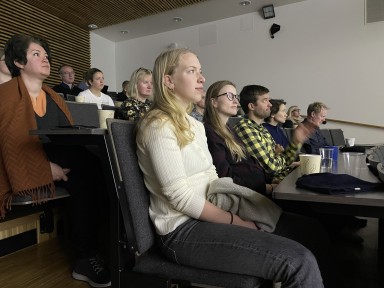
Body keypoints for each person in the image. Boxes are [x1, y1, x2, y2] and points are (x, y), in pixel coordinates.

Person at [136, 48, 341, 288]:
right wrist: (236, 221)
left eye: (201, 72)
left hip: (210, 211)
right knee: (298, 262)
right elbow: (179, 197)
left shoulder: (194, 124)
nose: (202, 78)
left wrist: (242, 207)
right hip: (182, 231)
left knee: (312, 231)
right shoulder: (157, 125)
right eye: (192, 71)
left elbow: (212, 177)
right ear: (168, 81)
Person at [0, 34, 110, 287]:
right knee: (87, 177)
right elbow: (7, 142)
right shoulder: (5, 94)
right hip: (31, 158)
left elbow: (66, 138)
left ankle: (107, 246)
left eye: (46, 54)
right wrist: (44, 168)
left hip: (59, 157)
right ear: (18, 61)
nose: (45, 58)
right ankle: (86, 257)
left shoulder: (52, 97)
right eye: (36, 54)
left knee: (103, 167)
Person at [204, 80, 273, 195]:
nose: (236, 101)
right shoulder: (210, 133)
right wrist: (266, 187)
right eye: (230, 96)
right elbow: (225, 178)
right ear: (214, 102)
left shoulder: (229, 130)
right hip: (248, 195)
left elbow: (249, 163)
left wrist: (270, 180)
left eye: (236, 97)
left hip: (259, 189)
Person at [234, 85, 313, 183]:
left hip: (282, 178)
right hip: (272, 185)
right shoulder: (245, 128)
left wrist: (296, 142)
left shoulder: (261, 128)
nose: (270, 105)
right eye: (265, 100)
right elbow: (272, 167)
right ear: (251, 106)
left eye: (269, 100)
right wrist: (279, 157)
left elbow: (282, 162)